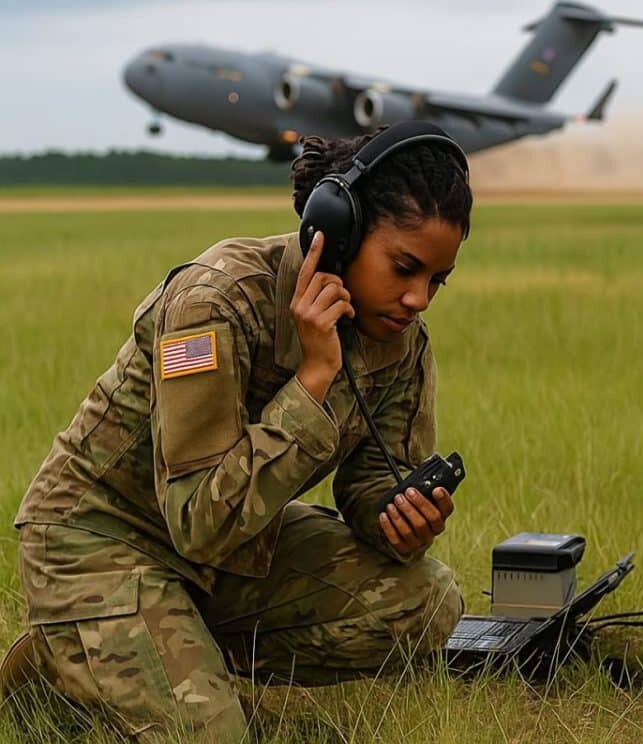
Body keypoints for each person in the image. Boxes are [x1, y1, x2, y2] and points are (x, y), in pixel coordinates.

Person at [3, 122, 472, 741]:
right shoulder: (214, 303)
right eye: (405, 268)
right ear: (338, 235)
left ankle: (165, 658)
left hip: (228, 551)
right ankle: (69, 654)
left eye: (436, 280)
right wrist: (313, 380)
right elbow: (197, 520)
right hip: (100, 540)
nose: (418, 299)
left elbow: (370, 485)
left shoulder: (399, 341)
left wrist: (400, 519)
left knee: (427, 601)